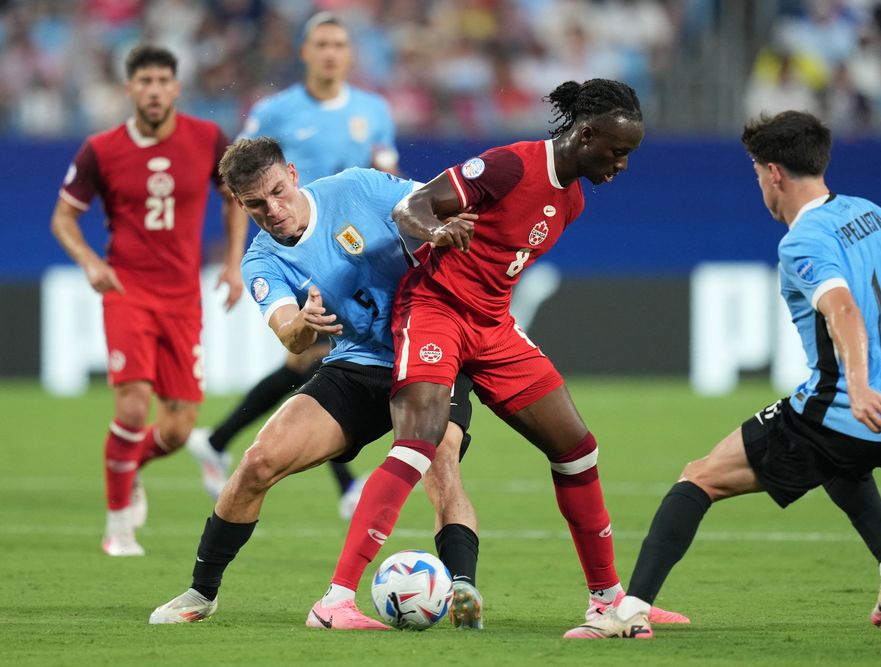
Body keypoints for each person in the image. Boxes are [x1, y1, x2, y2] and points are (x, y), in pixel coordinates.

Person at [302, 78, 690, 630]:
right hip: (435, 311)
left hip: (492, 327)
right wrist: (436, 231)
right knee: (417, 443)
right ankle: (335, 601)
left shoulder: (572, 200)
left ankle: (607, 600)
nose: (622, 164)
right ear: (585, 135)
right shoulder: (510, 165)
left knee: (577, 450)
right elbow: (411, 207)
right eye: (617, 150)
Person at [564, 110, 881, 639]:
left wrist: (856, 387)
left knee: (699, 477)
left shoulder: (803, 240)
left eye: (757, 173)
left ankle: (627, 613)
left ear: (774, 173)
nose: (759, 184)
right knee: (840, 464)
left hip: (843, 409)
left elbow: (844, 310)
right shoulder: (869, 213)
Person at [149, 137, 483, 629]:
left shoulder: (357, 187)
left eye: (278, 192)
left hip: (432, 348)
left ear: (292, 173)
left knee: (440, 461)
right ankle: (202, 592)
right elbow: (288, 332)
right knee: (258, 462)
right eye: (256, 204)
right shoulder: (261, 260)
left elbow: (434, 201)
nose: (273, 210)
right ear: (239, 203)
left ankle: (462, 590)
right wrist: (304, 324)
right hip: (358, 361)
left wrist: (445, 232)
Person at [186, 12, 398, 517]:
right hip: (298, 252)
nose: (330, 53)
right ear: (305, 52)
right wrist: (235, 261)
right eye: (321, 44)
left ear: (349, 53)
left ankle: (218, 439)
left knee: (309, 363)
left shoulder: (374, 110)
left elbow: (388, 175)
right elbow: (237, 181)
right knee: (316, 356)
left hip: (351, 243)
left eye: (338, 44)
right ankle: (346, 483)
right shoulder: (274, 111)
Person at [50, 45, 247, 558]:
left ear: (176, 88)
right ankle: (118, 527)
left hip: (183, 299)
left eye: (163, 81)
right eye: (145, 81)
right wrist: (90, 262)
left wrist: (233, 264)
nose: (154, 90)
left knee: (179, 429)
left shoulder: (207, 139)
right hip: (128, 292)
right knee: (134, 407)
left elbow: (235, 200)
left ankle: (128, 466)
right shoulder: (100, 149)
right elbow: (63, 218)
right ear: (129, 89)